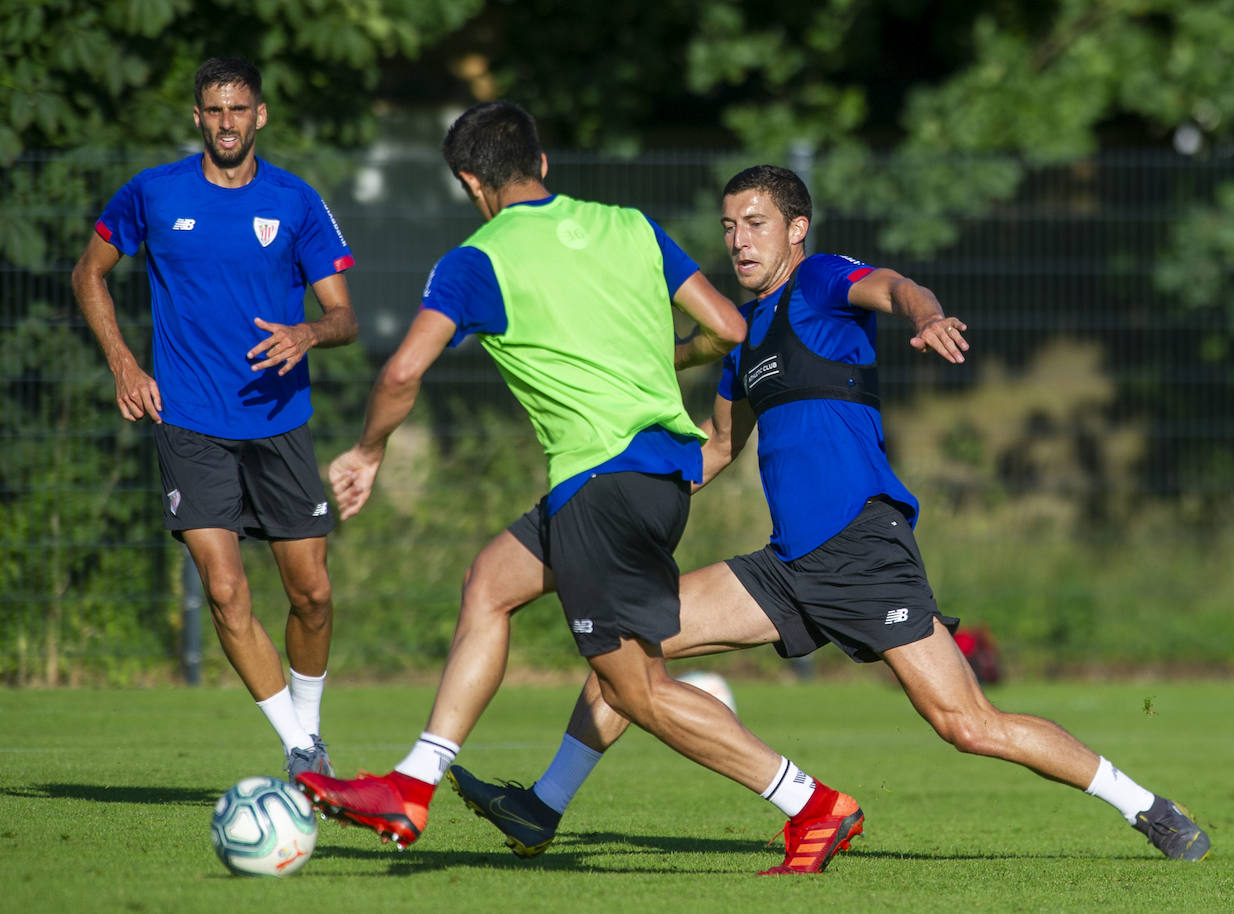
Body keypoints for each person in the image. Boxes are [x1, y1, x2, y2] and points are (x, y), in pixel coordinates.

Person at [446, 165, 1213, 864]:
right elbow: (715, 448)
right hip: (786, 566)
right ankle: (542, 808)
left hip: (861, 549)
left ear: (795, 229)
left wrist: (927, 313)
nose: (739, 241)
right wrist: (617, 495)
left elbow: (895, 285)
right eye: (729, 227)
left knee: (967, 725)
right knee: (628, 640)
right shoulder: (743, 345)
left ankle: (1148, 808)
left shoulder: (818, 282)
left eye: (755, 224)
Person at [294, 103, 863, 876]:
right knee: (490, 582)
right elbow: (730, 327)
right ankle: (413, 782)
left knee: (635, 689)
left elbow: (401, 371)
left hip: (601, 482)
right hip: (655, 475)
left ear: (470, 181)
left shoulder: (477, 259)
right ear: (543, 164)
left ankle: (812, 803)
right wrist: (663, 359)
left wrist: (366, 451)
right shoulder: (629, 225)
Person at [71, 57, 358, 779]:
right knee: (226, 590)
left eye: (238, 110)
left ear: (259, 114)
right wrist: (124, 365)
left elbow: (344, 316)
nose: (226, 123)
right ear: (198, 117)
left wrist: (308, 334)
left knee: (313, 595)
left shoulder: (296, 202)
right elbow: (88, 272)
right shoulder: (154, 194)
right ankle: (301, 751)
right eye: (213, 110)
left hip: (280, 421)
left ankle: (311, 725)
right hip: (191, 421)